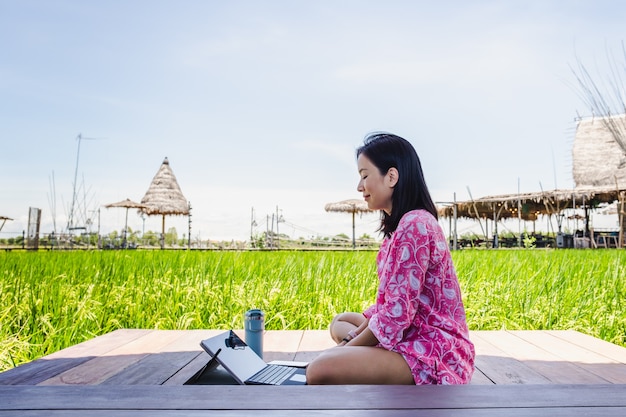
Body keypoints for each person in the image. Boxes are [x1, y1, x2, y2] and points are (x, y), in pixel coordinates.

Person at [306, 132, 475, 385]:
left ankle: (363, 352)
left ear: (392, 176)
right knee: (340, 322)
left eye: (365, 175)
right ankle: (366, 350)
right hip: (410, 332)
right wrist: (352, 341)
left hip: (435, 349)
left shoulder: (415, 224)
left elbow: (396, 315)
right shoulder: (398, 231)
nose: (359, 186)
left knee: (319, 369)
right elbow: (389, 307)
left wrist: (342, 351)